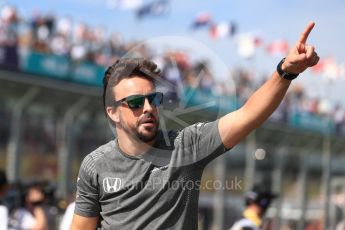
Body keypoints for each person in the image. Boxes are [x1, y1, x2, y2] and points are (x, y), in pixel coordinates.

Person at [71, 22, 319, 229]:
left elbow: (247, 115)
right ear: (112, 112)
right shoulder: (95, 165)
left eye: (153, 99)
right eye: (135, 102)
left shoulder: (186, 145)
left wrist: (285, 72)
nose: (148, 108)